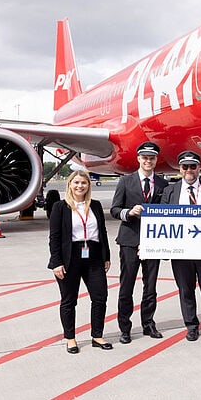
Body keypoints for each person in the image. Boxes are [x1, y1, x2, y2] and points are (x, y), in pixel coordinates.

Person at [161, 150, 201, 344]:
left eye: (193, 166)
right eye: (185, 166)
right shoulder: (169, 191)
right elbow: (161, 220)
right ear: (180, 169)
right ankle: (191, 326)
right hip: (181, 252)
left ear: (199, 167)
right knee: (185, 290)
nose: (189, 170)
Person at [48, 170, 113, 353]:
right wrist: (56, 262)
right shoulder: (60, 207)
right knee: (69, 300)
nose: (80, 186)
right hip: (70, 257)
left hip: (93, 256)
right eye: (76, 182)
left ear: (88, 186)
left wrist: (106, 256)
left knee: (100, 297)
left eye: (83, 183)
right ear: (69, 184)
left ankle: (97, 336)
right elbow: (54, 237)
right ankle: (70, 338)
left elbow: (103, 232)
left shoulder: (96, 206)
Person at [110, 141, 168, 344]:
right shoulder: (125, 182)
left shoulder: (163, 184)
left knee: (150, 286)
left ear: (156, 160)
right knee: (126, 285)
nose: (148, 161)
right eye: (145, 157)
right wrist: (128, 213)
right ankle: (124, 327)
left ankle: (148, 323)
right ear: (138, 159)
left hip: (153, 242)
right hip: (129, 240)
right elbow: (115, 209)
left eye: (151, 158)